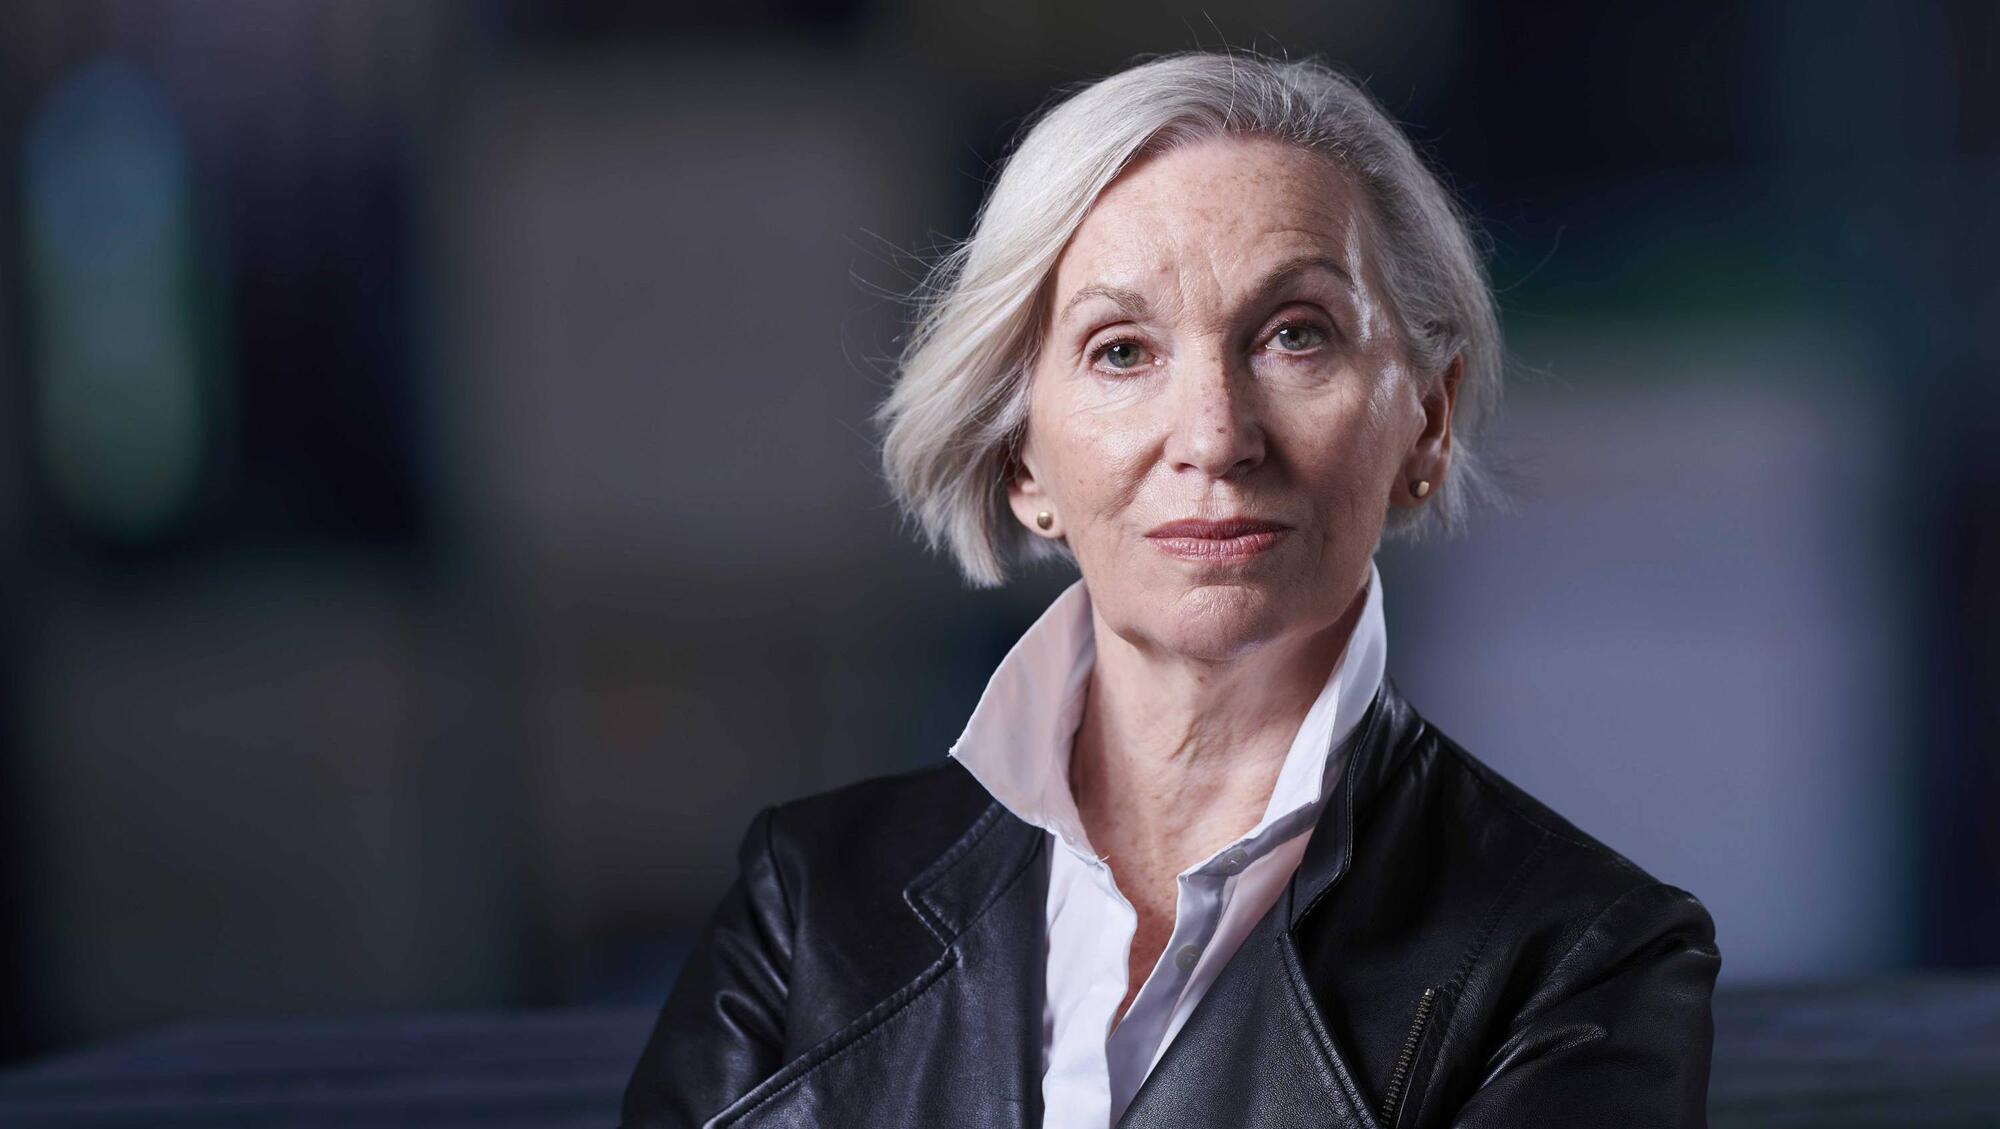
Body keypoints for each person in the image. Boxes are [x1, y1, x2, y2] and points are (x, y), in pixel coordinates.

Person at [622, 50, 1720, 1128]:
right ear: (1021, 460)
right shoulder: (806, 904)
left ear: (1424, 424)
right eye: (1120, 351)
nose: (1213, 436)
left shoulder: (1586, 956)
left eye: (1295, 336)